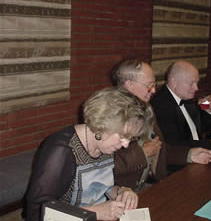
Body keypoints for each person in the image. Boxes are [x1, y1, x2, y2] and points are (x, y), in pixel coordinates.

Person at [23, 87, 153, 221]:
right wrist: (95, 212)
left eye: (130, 138)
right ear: (103, 124)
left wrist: (121, 192)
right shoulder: (62, 149)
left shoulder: (105, 143)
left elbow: (100, 187)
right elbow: (37, 212)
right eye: (122, 136)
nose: (125, 145)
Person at [112, 60, 211, 178]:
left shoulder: (148, 107)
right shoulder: (110, 115)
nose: (154, 90)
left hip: (157, 179)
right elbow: (103, 166)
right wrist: (210, 144)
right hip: (128, 190)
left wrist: (190, 154)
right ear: (129, 84)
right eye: (149, 85)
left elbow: (160, 147)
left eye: (154, 85)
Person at [151, 60, 211, 152]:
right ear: (174, 81)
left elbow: (206, 127)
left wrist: (206, 107)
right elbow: (173, 144)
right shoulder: (159, 105)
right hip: (180, 163)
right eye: (191, 83)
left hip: (200, 155)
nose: (196, 88)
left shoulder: (186, 98)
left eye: (197, 83)